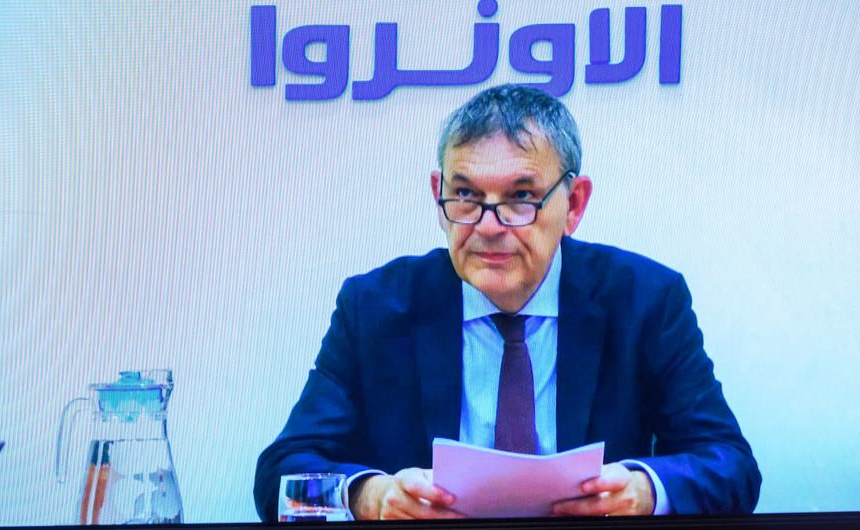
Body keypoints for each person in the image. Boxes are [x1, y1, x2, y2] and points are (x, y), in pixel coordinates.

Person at [254, 84, 761, 521]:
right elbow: (280, 478)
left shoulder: (644, 300)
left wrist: (644, 490)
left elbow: (732, 467)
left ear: (574, 204)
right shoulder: (374, 307)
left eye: (520, 197)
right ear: (438, 196)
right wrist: (370, 496)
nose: (489, 226)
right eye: (466, 195)